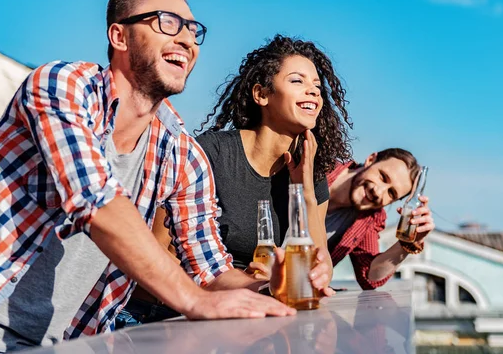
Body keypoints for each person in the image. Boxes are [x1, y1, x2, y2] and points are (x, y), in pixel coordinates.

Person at [0, 0, 295, 352]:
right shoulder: (63, 87)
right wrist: (192, 301)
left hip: (70, 344)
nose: (186, 40)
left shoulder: (182, 153)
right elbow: (94, 201)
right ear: (119, 36)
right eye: (167, 23)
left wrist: (273, 285)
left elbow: (209, 270)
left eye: (192, 30)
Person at [120, 35, 351, 322]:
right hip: (159, 314)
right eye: (297, 81)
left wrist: (304, 190)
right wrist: (245, 285)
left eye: (317, 86)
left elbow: (319, 267)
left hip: (243, 312)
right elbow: (156, 250)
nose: (314, 92)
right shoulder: (210, 153)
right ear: (261, 94)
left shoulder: (310, 172)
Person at [325, 148, 435, 289]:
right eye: (382, 177)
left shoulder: (370, 217)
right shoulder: (316, 167)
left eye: (391, 193)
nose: (378, 191)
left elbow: (370, 275)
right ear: (370, 160)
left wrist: (407, 244)